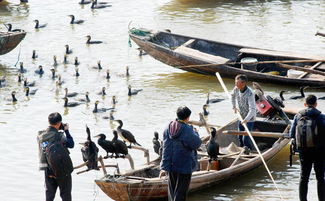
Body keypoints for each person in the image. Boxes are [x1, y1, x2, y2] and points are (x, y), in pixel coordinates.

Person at [160, 106, 202, 201]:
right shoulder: (187, 129)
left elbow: (165, 147)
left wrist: (163, 166)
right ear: (187, 118)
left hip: (169, 164)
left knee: (172, 191)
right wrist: (196, 133)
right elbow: (197, 144)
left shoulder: (168, 127)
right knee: (181, 192)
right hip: (184, 165)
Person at [289, 95, 325, 201]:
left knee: (304, 178)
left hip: (304, 151)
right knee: (320, 178)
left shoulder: (298, 116)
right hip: (319, 151)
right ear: (316, 104)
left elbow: (292, 134)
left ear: (305, 104)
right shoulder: (321, 116)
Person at [37, 112, 74, 201]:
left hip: (48, 170)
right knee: (66, 196)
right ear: (59, 123)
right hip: (62, 170)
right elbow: (71, 144)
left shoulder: (40, 135)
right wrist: (66, 131)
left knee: (49, 197)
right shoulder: (59, 136)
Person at [231, 74, 256, 150]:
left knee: (246, 139)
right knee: (239, 136)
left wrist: (246, 120)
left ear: (243, 83)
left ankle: (249, 151)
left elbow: (252, 109)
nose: (235, 84)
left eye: (237, 83)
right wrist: (234, 106)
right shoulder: (236, 89)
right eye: (235, 82)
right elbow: (232, 96)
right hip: (241, 116)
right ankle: (241, 150)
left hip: (249, 118)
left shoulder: (250, 93)